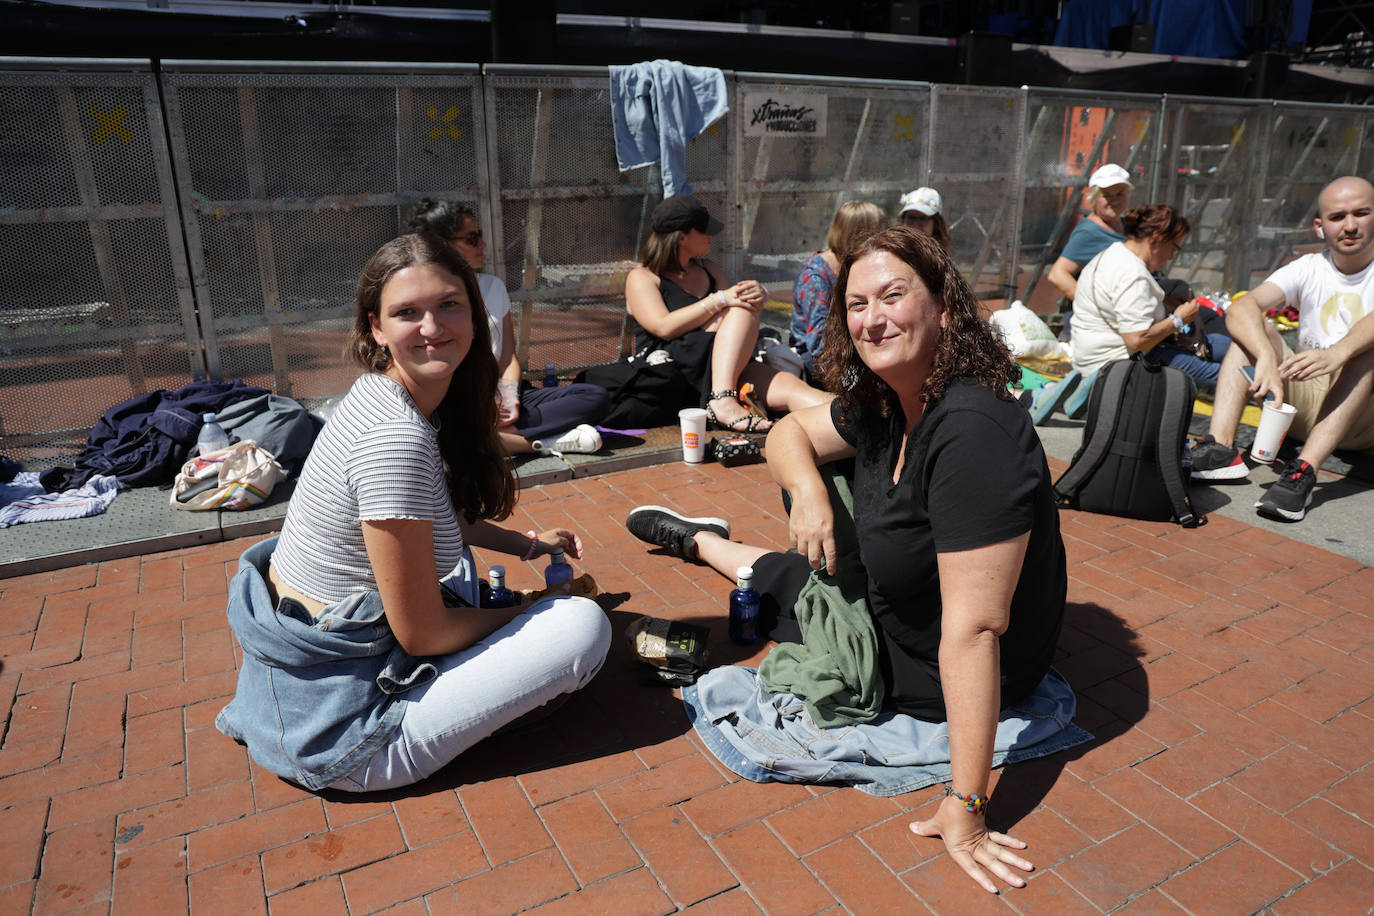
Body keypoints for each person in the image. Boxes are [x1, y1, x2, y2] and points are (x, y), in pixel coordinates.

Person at [627, 227, 1066, 894]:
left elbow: (975, 632)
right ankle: (704, 540)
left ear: (944, 308)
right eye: (856, 304)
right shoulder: (890, 402)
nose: (872, 317)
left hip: (936, 666)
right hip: (903, 600)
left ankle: (705, 543)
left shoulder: (973, 431)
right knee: (808, 561)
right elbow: (789, 432)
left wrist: (969, 806)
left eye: (893, 296)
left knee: (802, 611)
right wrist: (807, 496)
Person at [216, 233, 611, 793]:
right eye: (407, 313)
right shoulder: (394, 440)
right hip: (344, 730)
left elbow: (428, 518)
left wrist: (525, 545)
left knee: (468, 577)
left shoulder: (383, 394)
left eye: (449, 305)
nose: (432, 327)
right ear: (376, 327)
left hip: (306, 676)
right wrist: (533, 610)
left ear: (475, 315)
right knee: (582, 628)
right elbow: (423, 633)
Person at [1189, 175, 1374, 522]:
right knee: (1252, 330)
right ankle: (1220, 449)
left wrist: (1338, 353)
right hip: (1303, 405)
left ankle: (1304, 470)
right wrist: (1266, 358)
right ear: (1320, 227)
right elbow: (1241, 308)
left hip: (1362, 418)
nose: (1349, 226)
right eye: (1337, 217)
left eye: (1360, 213)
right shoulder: (1309, 267)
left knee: (1366, 353)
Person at [405, 199, 609, 456]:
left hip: (495, 397)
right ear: (443, 245)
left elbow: (508, 358)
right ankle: (541, 443)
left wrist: (507, 395)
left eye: (479, 236)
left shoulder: (492, 287)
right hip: (455, 404)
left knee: (595, 397)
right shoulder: (423, 299)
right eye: (472, 239)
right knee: (437, 429)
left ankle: (491, 441)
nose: (483, 245)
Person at [625, 195, 830, 432]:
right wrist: (721, 299)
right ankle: (722, 401)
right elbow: (662, 327)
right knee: (741, 308)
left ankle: (860, 418)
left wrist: (756, 293)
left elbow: (733, 317)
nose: (711, 237)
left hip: (724, 369)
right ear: (682, 238)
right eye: (703, 231)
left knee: (796, 389)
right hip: (675, 368)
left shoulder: (710, 269)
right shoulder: (642, 277)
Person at [1069, 203, 1226, 388]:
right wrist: (1179, 319)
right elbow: (1136, 340)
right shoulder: (1132, 275)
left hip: (1093, 358)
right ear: (1155, 240)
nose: (1170, 257)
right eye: (1173, 248)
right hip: (1118, 367)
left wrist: (1163, 301)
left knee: (1225, 346)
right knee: (1225, 375)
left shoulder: (1114, 254)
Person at [791, 201, 886, 382]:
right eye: (878, 230)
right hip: (821, 366)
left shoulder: (855, 265)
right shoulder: (815, 275)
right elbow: (818, 343)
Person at [1047, 163, 1133, 306]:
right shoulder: (1089, 232)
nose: (1114, 201)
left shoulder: (1126, 226)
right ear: (1093, 198)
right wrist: (1095, 307)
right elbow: (1057, 275)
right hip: (1095, 324)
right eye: (1107, 195)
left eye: (1119, 194)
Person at [897, 187, 952, 253]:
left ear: (936, 224)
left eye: (922, 219)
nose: (915, 225)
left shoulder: (941, 260)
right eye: (911, 218)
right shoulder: (892, 252)